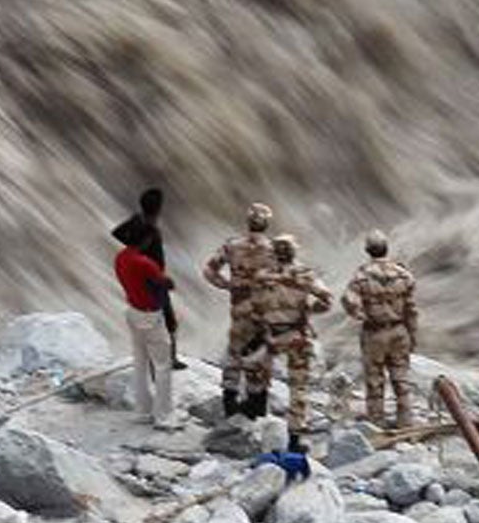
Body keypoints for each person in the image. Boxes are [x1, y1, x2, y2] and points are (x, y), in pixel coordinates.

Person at [244, 235, 333, 453]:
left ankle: (254, 418)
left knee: (255, 373)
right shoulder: (304, 274)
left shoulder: (262, 276)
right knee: (298, 387)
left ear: (273, 252)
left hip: (270, 335)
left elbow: (253, 307)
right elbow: (326, 300)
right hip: (297, 334)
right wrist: (308, 309)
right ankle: (295, 438)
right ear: (294, 252)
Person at [203, 203, 276, 418]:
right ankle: (256, 404)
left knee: (235, 351)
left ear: (248, 222)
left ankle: (230, 401)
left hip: (239, 307)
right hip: (263, 310)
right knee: (260, 355)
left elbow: (209, 270)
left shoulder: (231, 246)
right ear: (267, 223)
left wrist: (226, 285)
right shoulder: (274, 249)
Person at [342, 230, 418, 431]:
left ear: (367, 250)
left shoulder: (361, 276)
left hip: (374, 333)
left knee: (375, 380)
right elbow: (411, 309)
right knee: (401, 377)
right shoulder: (404, 275)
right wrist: (413, 334)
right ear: (387, 248)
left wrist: (360, 315)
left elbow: (348, 300)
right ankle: (406, 422)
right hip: (399, 330)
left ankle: (376, 423)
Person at [112, 187, 186, 370]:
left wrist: (133, 248)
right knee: (168, 320)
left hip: (144, 274)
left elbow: (117, 232)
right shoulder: (150, 227)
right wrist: (140, 253)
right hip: (152, 277)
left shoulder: (137, 219)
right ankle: (170, 358)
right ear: (159, 208)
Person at [115, 231, 181, 429]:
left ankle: (142, 411)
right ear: (142, 240)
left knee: (140, 362)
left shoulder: (120, 257)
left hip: (132, 312)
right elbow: (166, 284)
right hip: (150, 315)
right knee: (162, 365)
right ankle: (163, 416)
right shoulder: (145, 263)